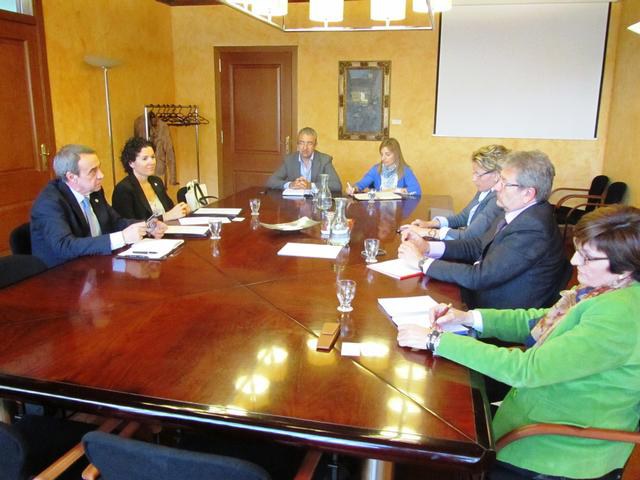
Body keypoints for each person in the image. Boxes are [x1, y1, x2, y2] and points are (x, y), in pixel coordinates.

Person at [397, 205, 640, 480]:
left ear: (625, 268)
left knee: (429, 433)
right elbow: (538, 321)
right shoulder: (605, 289)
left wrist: (436, 340)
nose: (574, 261)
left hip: (556, 448)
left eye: (586, 257)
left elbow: (527, 370)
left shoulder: (620, 315)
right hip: (536, 415)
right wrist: (468, 317)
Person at [398, 150, 569, 309]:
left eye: (504, 183)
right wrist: (428, 247)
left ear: (528, 194)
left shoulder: (533, 228)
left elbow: (480, 277)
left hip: (496, 312)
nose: (496, 187)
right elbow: (478, 245)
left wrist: (422, 262)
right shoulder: (516, 210)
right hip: (481, 294)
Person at [31, 144, 166, 268]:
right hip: (63, 274)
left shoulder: (94, 191)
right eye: (93, 171)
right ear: (72, 177)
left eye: (99, 168)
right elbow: (64, 246)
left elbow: (115, 222)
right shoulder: (49, 203)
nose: (101, 175)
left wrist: (147, 226)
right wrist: (123, 237)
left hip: (97, 265)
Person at [402, 144, 507, 239]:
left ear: (497, 175)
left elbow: (469, 236)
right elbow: (463, 217)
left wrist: (427, 232)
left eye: (478, 174)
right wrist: (430, 224)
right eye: (473, 173)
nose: (473, 179)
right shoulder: (485, 190)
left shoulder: (497, 199)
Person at [112, 137, 189, 221]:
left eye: (153, 157)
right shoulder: (123, 189)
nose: (151, 162)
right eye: (145, 159)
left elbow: (170, 209)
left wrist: (182, 209)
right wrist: (164, 217)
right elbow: (129, 224)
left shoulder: (157, 181)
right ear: (131, 163)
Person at [266, 127, 342, 192]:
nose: (305, 148)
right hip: (294, 202)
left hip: (315, 202)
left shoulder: (324, 160)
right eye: (302, 143)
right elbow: (271, 182)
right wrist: (291, 184)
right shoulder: (289, 160)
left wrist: (311, 185)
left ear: (315, 145)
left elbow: (336, 185)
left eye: (309, 143)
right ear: (297, 144)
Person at [345, 138, 421, 196]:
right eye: (382, 154)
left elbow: (416, 190)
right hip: (378, 209)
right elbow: (360, 185)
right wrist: (353, 189)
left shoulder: (405, 170)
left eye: (387, 154)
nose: (383, 158)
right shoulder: (375, 169)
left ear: (396, 154)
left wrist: (395, 190)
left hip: (398, 210)